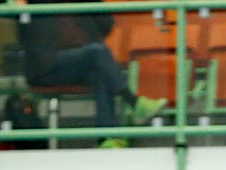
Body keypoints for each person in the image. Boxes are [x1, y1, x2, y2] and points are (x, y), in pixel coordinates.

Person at [11, 0, 168, 148]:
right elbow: (7, 9)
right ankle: (133, 101)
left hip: (79, 63)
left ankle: (106, 138)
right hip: (45, 67)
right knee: (98, 51)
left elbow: (107, 23)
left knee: (100, 72)